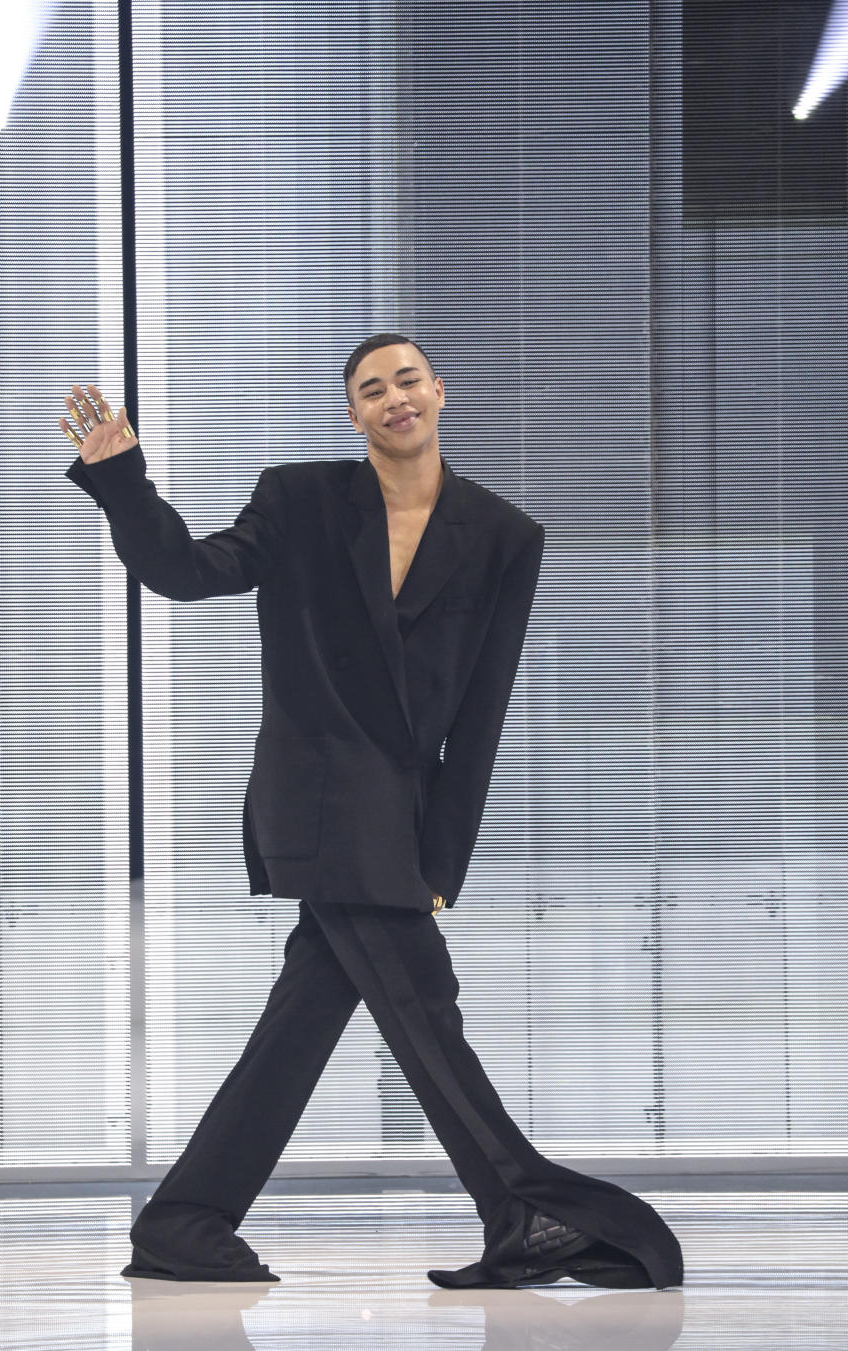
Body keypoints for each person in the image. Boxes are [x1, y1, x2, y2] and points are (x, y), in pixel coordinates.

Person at [58, 333, 684, 1291]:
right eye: (369, 389)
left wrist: (442, 861)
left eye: (406, 380)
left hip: (399, 819)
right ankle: (521, 1208)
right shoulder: (300, 500)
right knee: (426, 1010)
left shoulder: (506, 536)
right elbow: (186, 570)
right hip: (315, 800)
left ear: (439, 391)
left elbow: (481, 715)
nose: (393, 397)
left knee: (305, 1019)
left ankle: (185, 1219)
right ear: (352, 415)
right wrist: (125, 484)